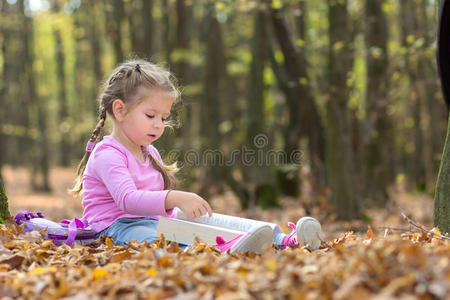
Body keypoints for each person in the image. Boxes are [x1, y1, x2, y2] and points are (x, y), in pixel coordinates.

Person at [70, 59, 322, 253]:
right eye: (151, 116)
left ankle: (281, 240)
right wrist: (176, 197)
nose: (159, 124)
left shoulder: (149, 150)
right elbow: (127, 200)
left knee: (208, 219)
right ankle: (221, 248)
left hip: (151, 219)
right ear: (120, 110)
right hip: (114, 229)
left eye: (164, 118)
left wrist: (176, 206)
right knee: (159, 237)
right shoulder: (108, 154)